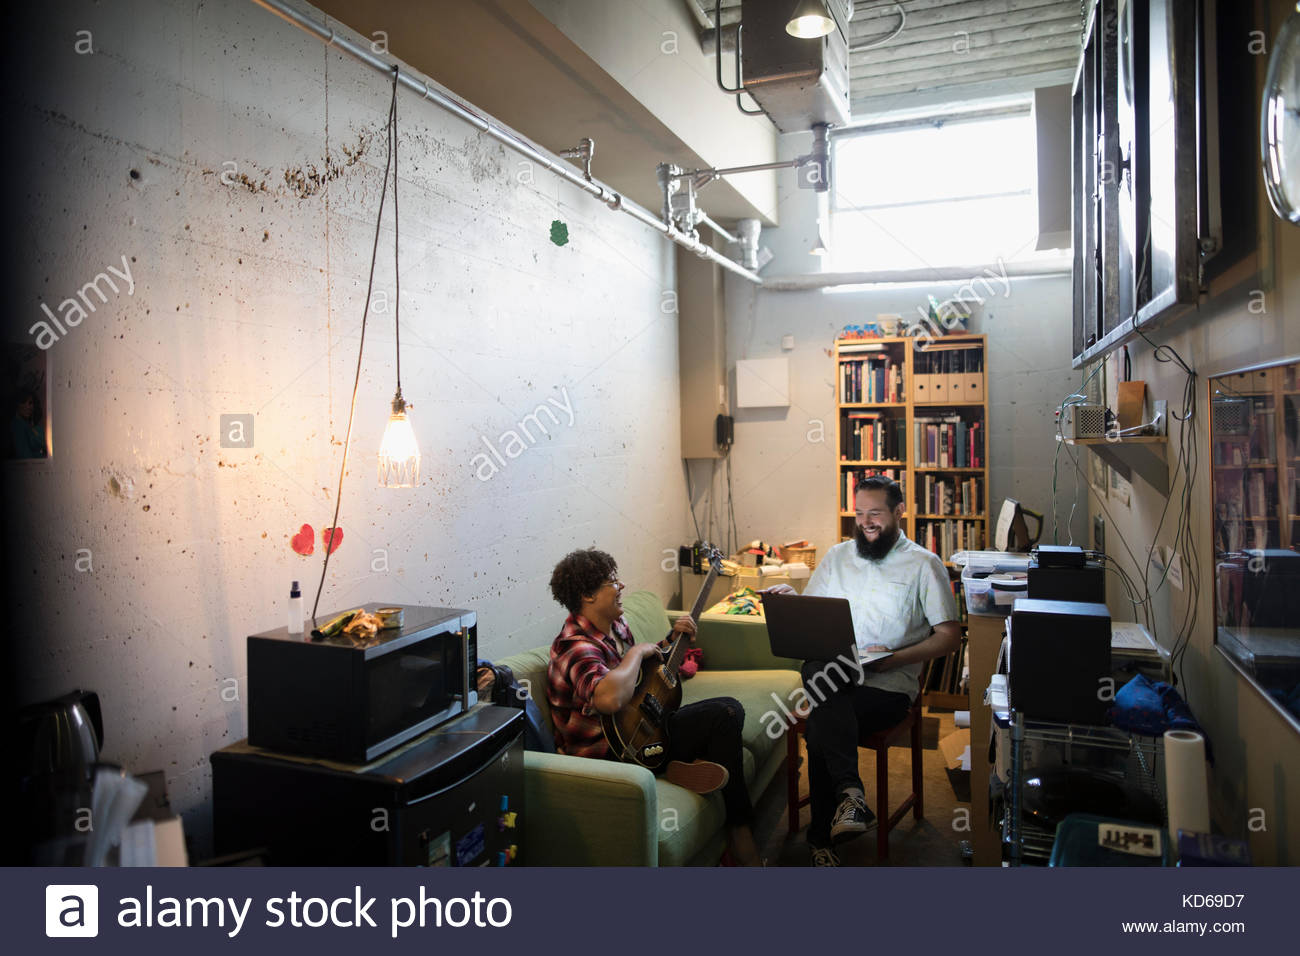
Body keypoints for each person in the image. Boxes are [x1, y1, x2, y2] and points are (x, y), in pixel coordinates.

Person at [765, 475, 960, 866]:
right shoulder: (838, 556)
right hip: (837, 675)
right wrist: (791, 599)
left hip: (887, 687)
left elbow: (949, 637)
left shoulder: (925, 564)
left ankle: (823, 837)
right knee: (818, 670)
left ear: (899, 512)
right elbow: (815, 616)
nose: (866, 522)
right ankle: (851, 799)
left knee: (822, 719)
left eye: (876, 514)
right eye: (860, 514)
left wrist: (892, 659)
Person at [546, 547, 761, 866]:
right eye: (611, 582)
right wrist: (637, 652)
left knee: (725, 714)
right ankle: (740, 836)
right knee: (725, 713)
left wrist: (671, 640)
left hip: (640, 732)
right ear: (588, 595)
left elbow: (638, 680)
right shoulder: (574, 648)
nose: (621, 587)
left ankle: (678, 769)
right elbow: (610, 698)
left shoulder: (615, 627)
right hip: (610, 755)